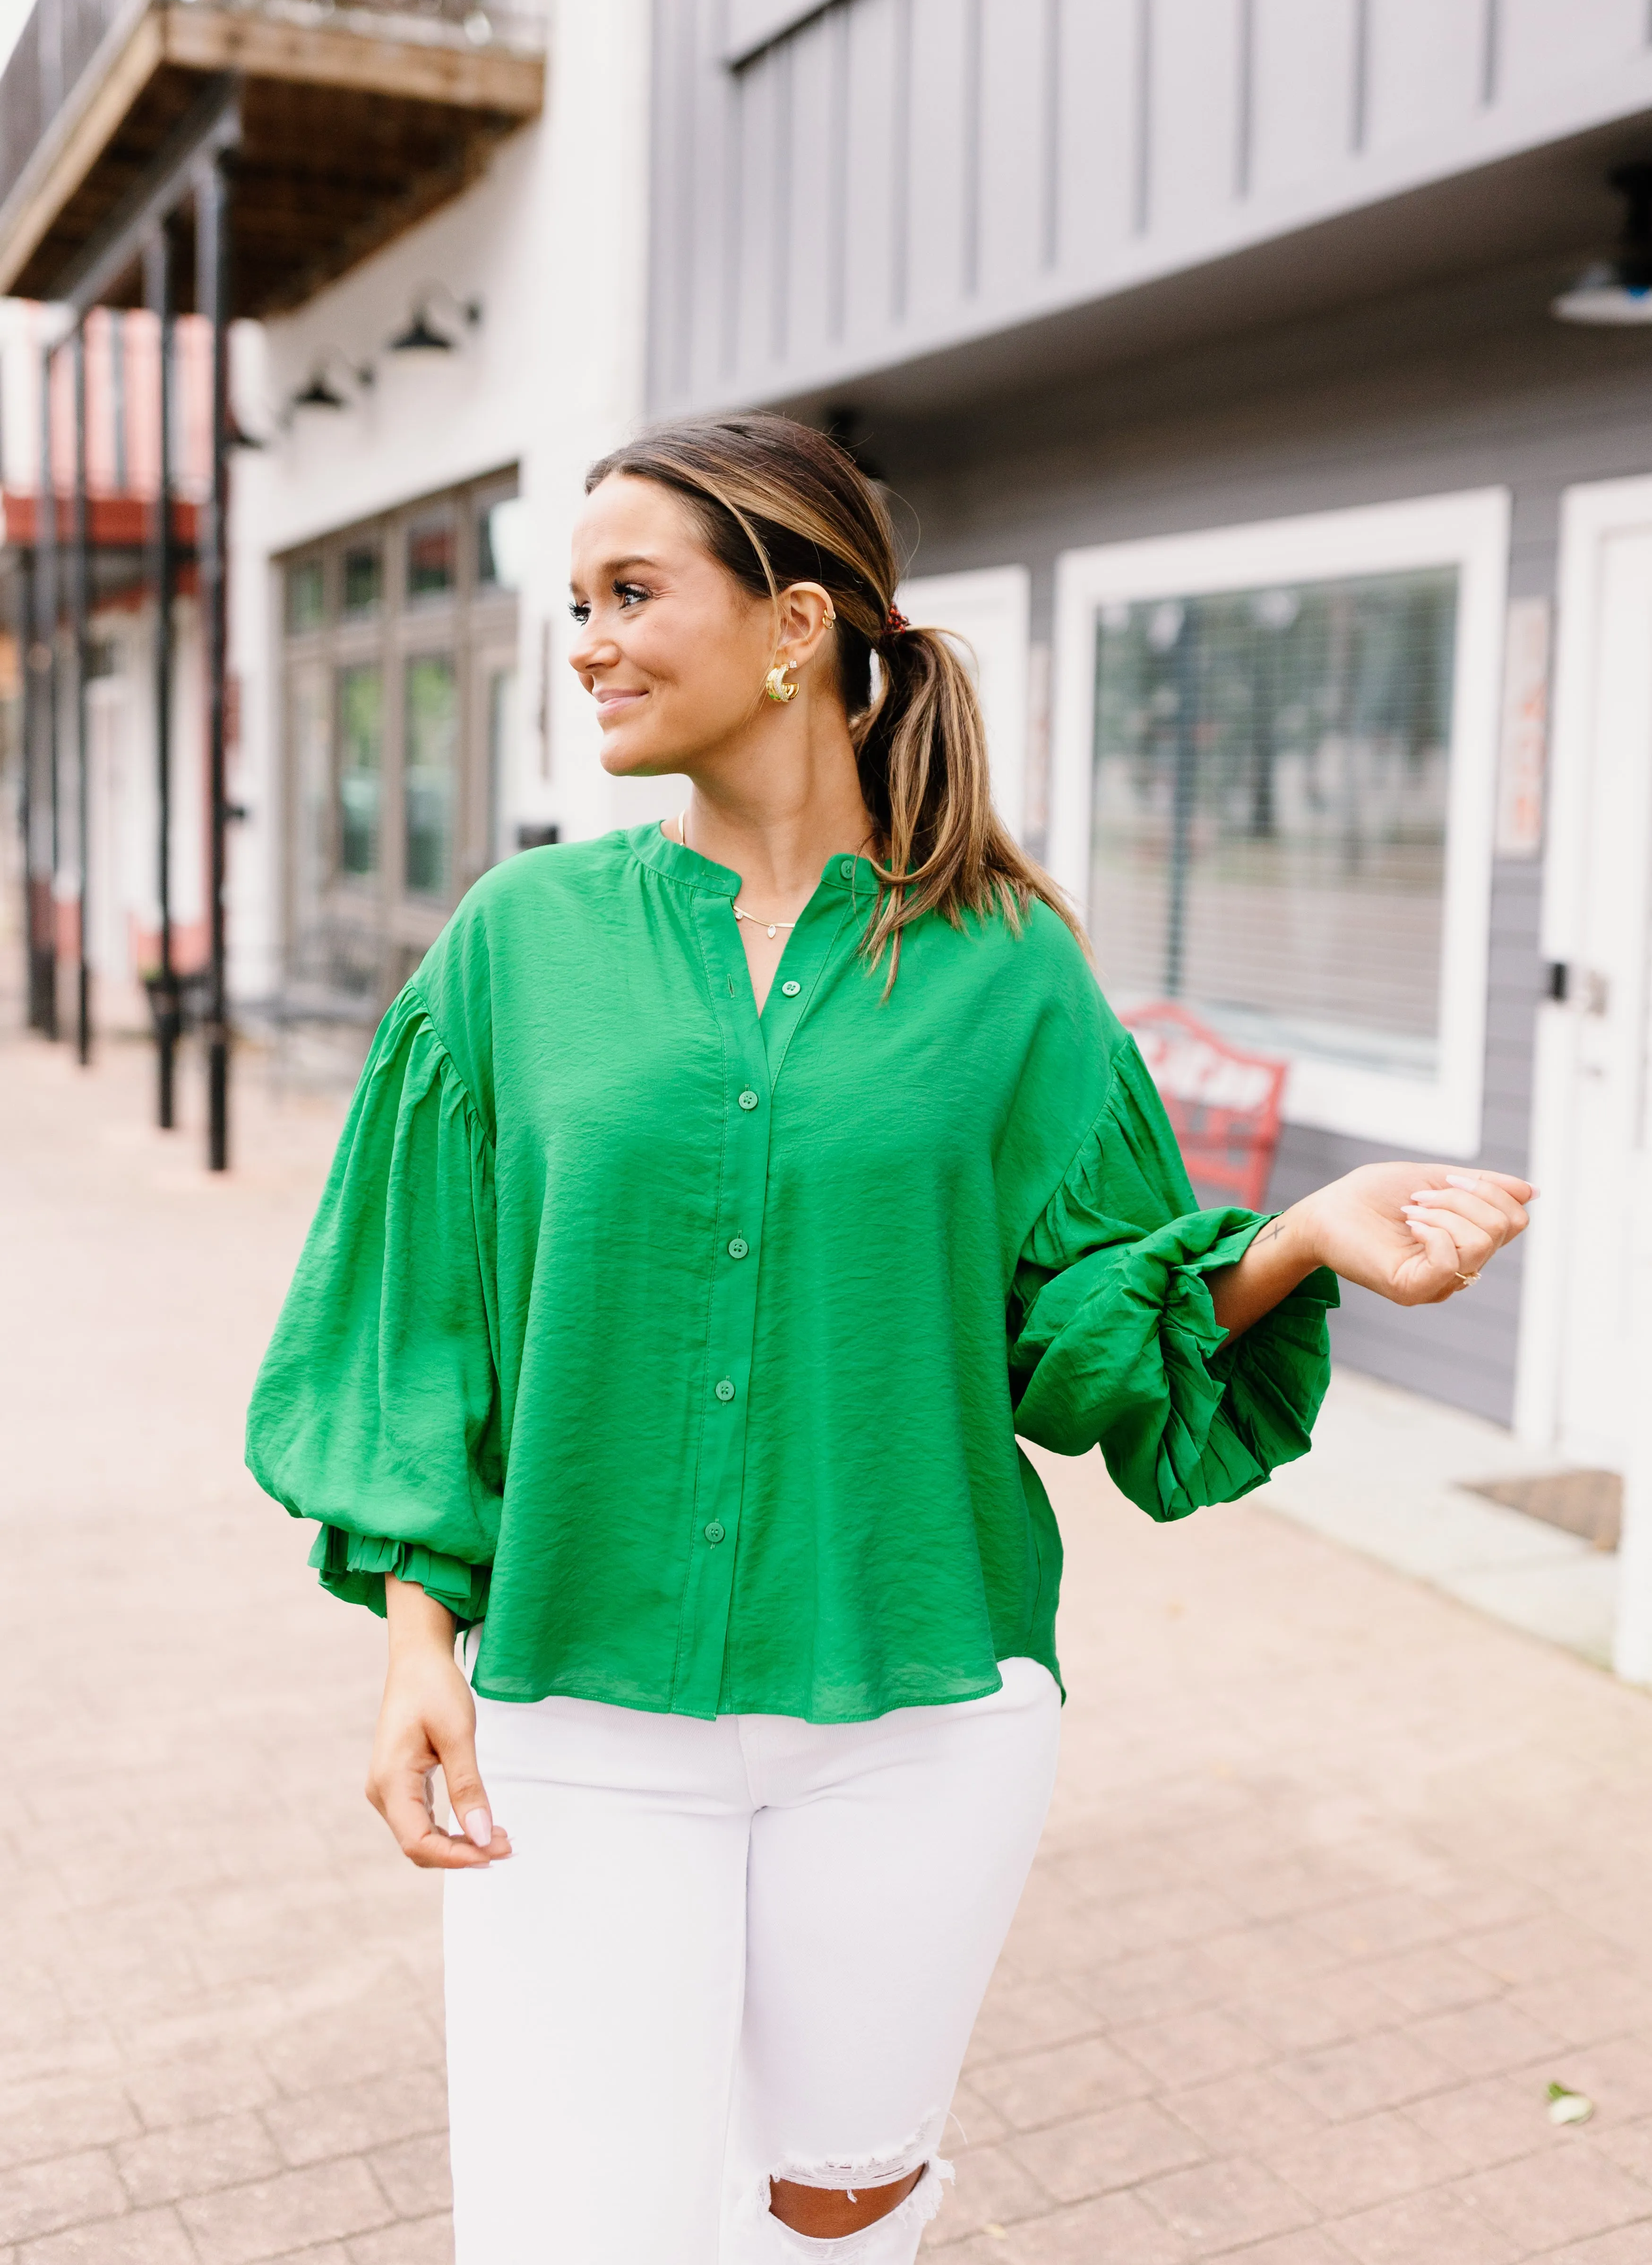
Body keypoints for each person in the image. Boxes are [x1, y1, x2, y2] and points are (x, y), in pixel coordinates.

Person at [246, 415, 1532, 2264]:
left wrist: (1292, 1245)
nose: (586, 643)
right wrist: (413, 1640)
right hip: (579, 1707)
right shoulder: (519, 946)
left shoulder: (1009, 965)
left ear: (794, 628)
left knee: (839, 2201)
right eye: (576, 603)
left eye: (629, 594)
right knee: (573, 2224)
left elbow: (1077, 1336)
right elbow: (417, 1321)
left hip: (923, 1715)